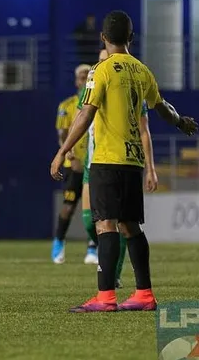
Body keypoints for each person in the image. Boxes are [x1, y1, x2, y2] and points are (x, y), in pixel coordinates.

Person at [51, 10, 198, 313]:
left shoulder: (100, 70)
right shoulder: (142, 70)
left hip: (106, 159)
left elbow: (86, 112)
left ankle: (105, 297)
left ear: (103, 38)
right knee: (131, 227)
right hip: (133, 161)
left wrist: (63, 149)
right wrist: (180, 121)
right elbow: (162, 107)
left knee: (106, 226)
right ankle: (144, 293)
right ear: (131, 38)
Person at [77, 48, 159, 288]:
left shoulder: (128, 87)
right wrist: (68, 148)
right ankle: (118, 273)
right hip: (92, 163)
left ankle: (113, 276)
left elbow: (145, 128)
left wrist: (150, 168)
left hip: (115, 159)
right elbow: (81, 118)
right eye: (101, 60)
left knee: (119, 223)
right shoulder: (92, 85)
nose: (106, 63)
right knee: (89, 222)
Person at [51, 64, 92, 264]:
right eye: (81, 77)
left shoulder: (97, 101)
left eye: (87, 76)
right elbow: (63, 134)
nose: (84, 80)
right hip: (73, 163)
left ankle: (93, 248)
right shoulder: (67, 106)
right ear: (76, 81)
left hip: (93, 162)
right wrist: (70, 155)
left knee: (95, 208)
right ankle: (59, 242)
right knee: (69, 206)